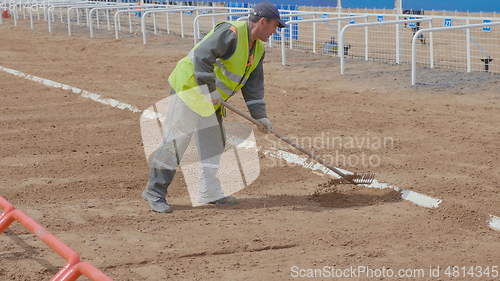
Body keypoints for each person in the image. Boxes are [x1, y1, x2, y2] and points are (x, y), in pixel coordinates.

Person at [142, 2, 286, 213]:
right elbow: (202, 56)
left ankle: (208, 191)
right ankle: (154, 192)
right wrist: (209, 90)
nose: (275, 31)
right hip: (190, 89)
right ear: (263, 22)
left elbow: (253, 86)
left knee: (213, 144)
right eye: (275, 26)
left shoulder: (259, 49)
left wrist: (260, 116)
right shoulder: (231, 32)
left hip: (212, 98)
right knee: (177, 142)